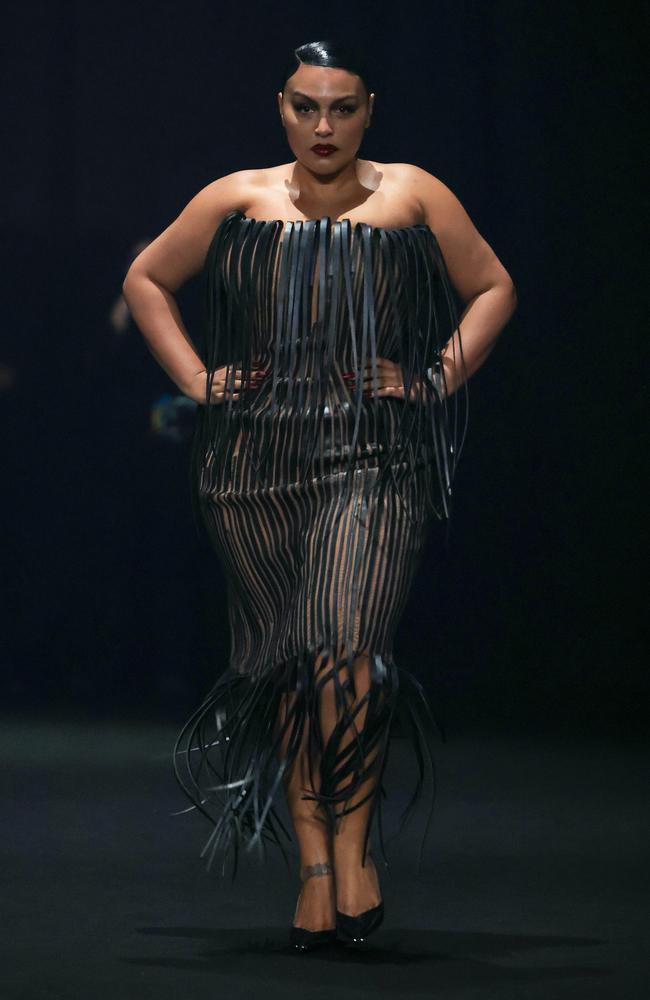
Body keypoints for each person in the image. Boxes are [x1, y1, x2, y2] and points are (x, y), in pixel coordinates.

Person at [122, 38, 517, 951]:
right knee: (295, 666)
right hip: (252, 466)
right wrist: (195, 377)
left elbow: (493, 286)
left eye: (342, 108)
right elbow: (148, 277)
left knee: (348, 650)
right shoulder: (237, 196)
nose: (324, 125)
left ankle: (351, 846)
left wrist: (430, 379)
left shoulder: (412, 193)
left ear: (370, 108)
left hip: (372, 455)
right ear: (281, 106)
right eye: (306, 106)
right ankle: (310, 864)